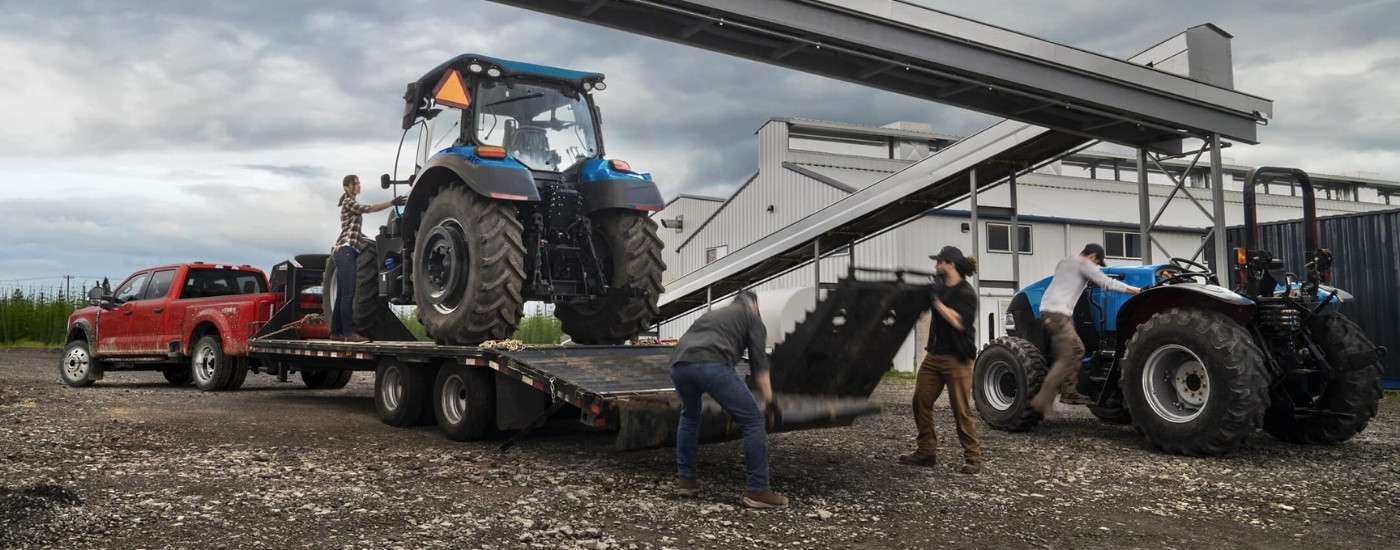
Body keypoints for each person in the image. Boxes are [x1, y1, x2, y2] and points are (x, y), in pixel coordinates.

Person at [669, 290, 788, 509]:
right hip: (712, 364)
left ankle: (687, 480)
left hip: (679, 365)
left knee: (689, 415)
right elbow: (759, 364)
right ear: (754, 305)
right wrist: (770, 400)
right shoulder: (752, 318)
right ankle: (758, 490)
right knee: (753, 421)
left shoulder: (713, 315)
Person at [1030, 243, 1141, 418]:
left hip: (1054, 313)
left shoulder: (1066, 261)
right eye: (1097, 263)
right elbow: (1106, 283)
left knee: (1078, 349)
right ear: (1092, 256)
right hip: (1057, 314)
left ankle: (1069, 392)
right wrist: (1136, 291)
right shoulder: (1084, 264)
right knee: (1066, 357)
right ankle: (1043, 400)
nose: (1096, 266)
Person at [899, 246, 984, 475]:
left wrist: (935, 301)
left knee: (961, 409)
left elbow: (957, 321)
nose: (936, 266)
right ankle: (926, 451)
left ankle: (972, 457)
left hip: (957, 358)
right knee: (920, 401)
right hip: (934, 355)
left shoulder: (966, 292)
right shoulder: (938, 286)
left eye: (939, 262)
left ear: (951, 265)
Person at [331, 174, 405, 343]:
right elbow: (369, 209)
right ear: (347, 186)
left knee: (343, 294)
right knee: (349, 293)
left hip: (347, 251)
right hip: (346, 250)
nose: (359, 186)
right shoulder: (349, 202)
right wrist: (393, 203)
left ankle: (335, 332)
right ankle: (349, 333)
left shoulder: (348, 202)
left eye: (359, 183)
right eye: (356, 183)